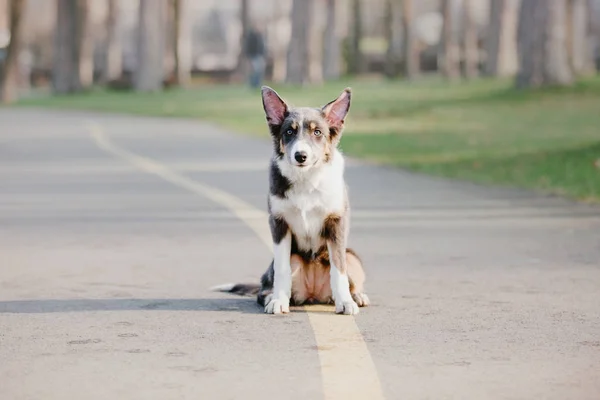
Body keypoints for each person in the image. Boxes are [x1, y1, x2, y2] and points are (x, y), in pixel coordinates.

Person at [244, 24, 266, 89]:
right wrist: (249, 57)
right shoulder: (251, 36)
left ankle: (257, 84)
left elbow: (262, 47)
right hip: (253, 55)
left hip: (260, 55)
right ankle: (253, 85)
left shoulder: (260, 36)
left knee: (259, 71)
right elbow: (248, 47)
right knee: (255, 71)